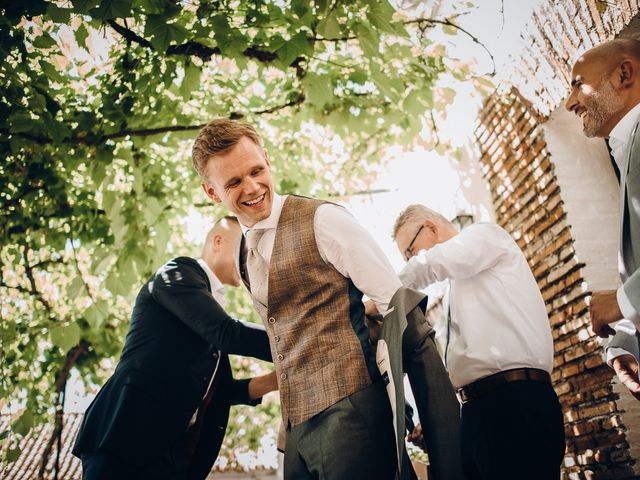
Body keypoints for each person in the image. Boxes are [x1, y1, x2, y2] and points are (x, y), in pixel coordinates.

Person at [192, 119, 402, 479]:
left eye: (257, 170)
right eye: (234, 182)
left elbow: (396, 302)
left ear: (268, 160)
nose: (253, 187)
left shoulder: (324, 220)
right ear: (212, 193)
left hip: (351, 410)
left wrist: (409, 406)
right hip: (295, 429)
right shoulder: (243, 254)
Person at [72, 216, 277, 480]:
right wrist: (299, 344)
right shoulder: (177, 273)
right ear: (218, 240)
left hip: (172, 459)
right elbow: (227, 332)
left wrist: (275, 380)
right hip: (126, 438)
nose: (254, 258)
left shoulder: (212, 317)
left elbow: (221, 392)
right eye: (248, 247)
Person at [393, 205, 565, 480]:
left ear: (432, 227)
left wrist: (385, 297)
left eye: (410, 253)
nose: (411, 261)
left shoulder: (485, 235)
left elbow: (430, 265)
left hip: (515, 403)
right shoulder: (454, 289)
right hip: (477, 414)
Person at [565, 38, 640, 399]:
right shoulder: (626, 147)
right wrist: (624, 343)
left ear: (624, 74)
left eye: (578, 83)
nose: (569, 102)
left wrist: (621, 302)